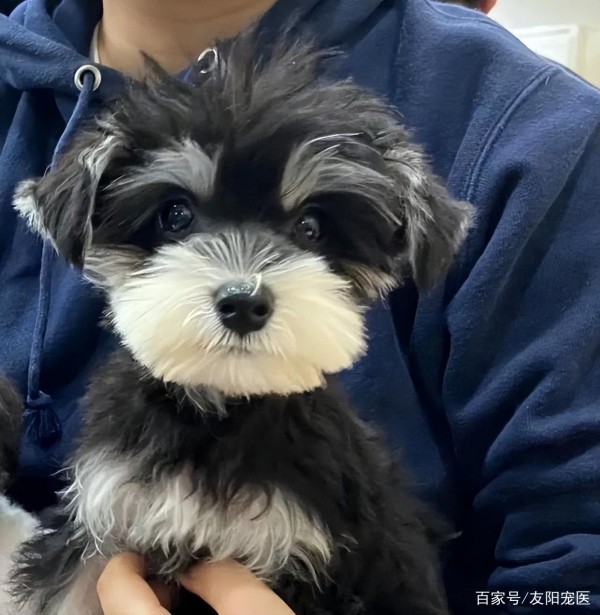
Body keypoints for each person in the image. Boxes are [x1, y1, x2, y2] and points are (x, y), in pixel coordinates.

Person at [1, 0, 599, 613]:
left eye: (309, 230)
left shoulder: (536, 131)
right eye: (177, 219)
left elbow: (574, 575)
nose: (243, 283)